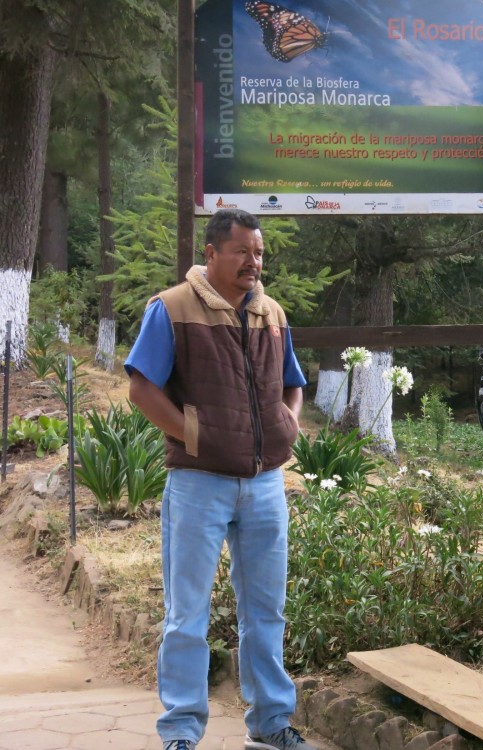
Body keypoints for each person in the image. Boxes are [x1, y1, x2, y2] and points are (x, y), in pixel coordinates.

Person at [125, 209, 318, 750]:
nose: (253, 263)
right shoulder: (171, 308)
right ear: (211, 253)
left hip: (264, 486)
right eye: (242, 252)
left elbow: (292, 383)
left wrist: (288, 421)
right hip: (198, 483)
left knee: (266, 610)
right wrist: (193, 436)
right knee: (186, 613)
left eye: (258, 253)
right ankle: (182, 731)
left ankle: (271, 723)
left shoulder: (272, 313)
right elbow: (142, 389)